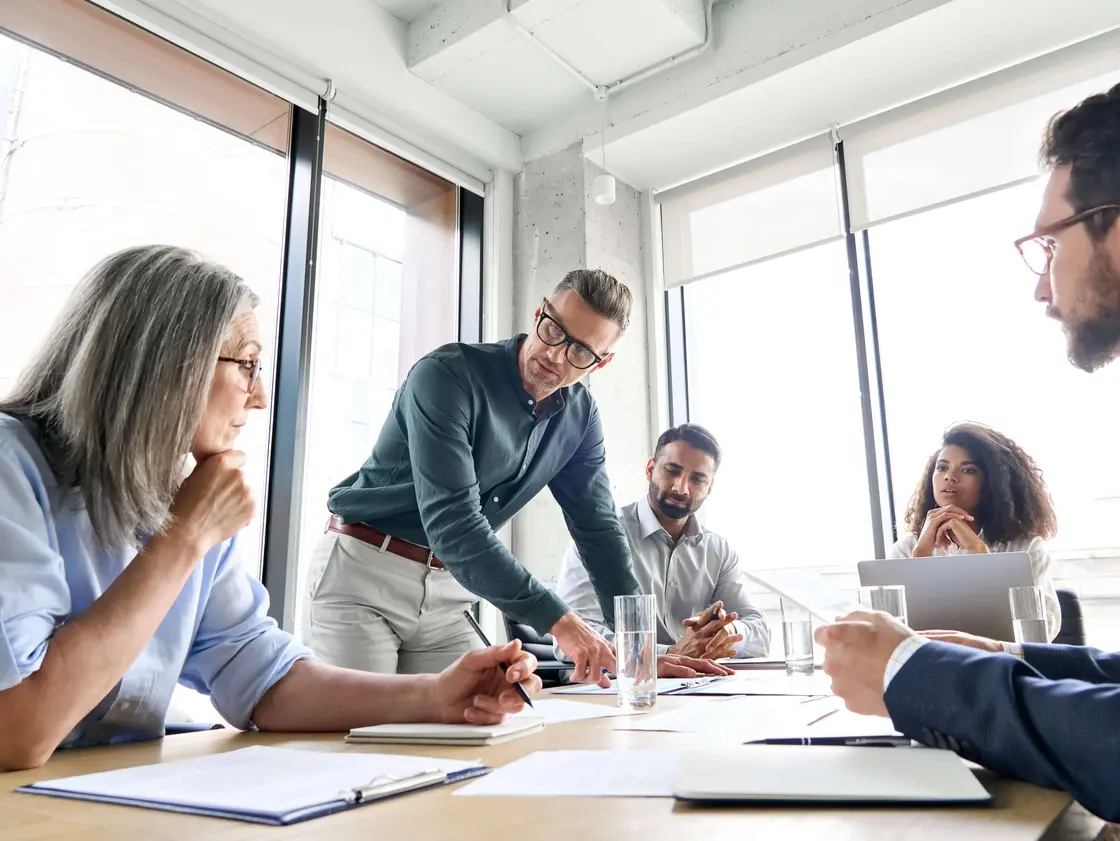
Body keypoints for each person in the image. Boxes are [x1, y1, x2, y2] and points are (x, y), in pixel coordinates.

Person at [0, 246, 541, 772]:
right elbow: (17, 729)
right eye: (248, 366)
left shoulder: (188, 496)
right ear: (165, 364)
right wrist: (185, 539)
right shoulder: (13, 468)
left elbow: (260, 676)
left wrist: (435, 696)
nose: (259, 399)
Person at [816, 83, 1120, 821]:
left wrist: (914, 670)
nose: (1042, 288)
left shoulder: (1019, 542)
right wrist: (1008, 660)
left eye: (1051, 243)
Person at [306, 268, 729, 684]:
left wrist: (641, 648)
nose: (556, 355)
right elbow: (455, 525)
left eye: (581, 352)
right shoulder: (447, 376)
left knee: (477, 729)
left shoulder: (579, 417)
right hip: (365, 574)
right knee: (361, 739)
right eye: (554, 330)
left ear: (601, 363)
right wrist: (560, 621)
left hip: (448, 595)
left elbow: (598, 531)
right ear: (540, 313)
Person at [554, 424, 769, 661]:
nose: (681, 488)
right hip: (616, 687)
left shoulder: (718, 551)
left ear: (710, 488)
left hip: (695, 687)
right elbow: (575, 636)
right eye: (672, 471)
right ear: (650, 468)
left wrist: (729, 633)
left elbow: (760, 634)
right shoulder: (598, 535)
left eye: (697, 479)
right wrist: (668, 655)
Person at [890, 421, 1060, 639]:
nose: (949, 477)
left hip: (999, 667)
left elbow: (1040, 633)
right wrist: (919, 559)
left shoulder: (1026, 549)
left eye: (968, 470)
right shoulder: (907, 550)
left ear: (992, 483)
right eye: (942, 468)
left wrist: (981, 556)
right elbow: (890, 638)